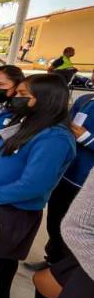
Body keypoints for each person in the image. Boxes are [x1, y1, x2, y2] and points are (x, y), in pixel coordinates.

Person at [0, 73, 76, 298]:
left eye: (23, 94)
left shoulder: (54, 138)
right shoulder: (23, 122)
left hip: (14, 210)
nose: (14, 97)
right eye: (17, 93)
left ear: (47, 100)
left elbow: (33, 185)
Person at [27, 92, 94, 273]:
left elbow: (81, 134)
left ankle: (70, 270)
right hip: (65, 173)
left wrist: (87, 138)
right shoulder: (85, 99)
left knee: (78, 230)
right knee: (55, 221)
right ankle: (53, 260)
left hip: (85, 184)